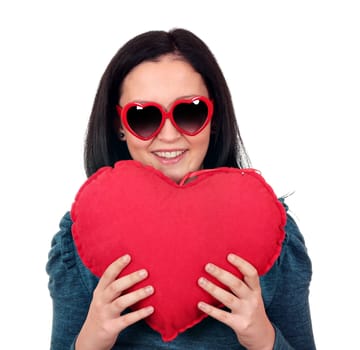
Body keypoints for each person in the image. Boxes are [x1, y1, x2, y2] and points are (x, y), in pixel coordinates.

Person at [46, 28, 316, 350]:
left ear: (214, 117)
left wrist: (262, 337)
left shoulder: (270, 230)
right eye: (144, 116)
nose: (170, 135)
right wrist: (92, 339)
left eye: (190, 111)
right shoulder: (80, 237)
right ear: (120, 126)